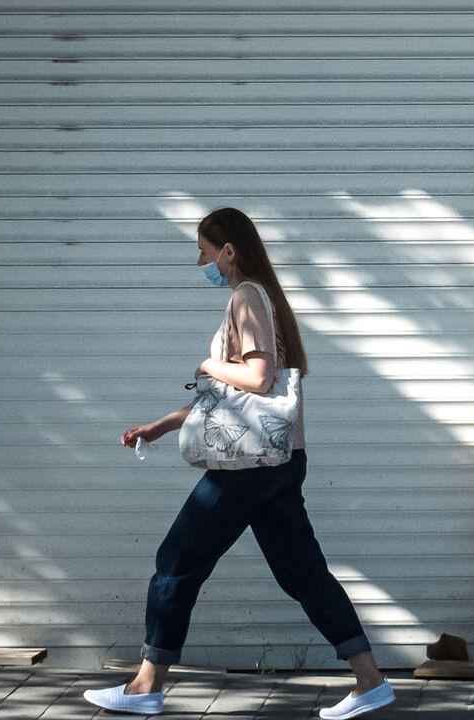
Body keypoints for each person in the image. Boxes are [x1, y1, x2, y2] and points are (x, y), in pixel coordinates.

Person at [83, 208, 395, 720]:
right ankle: (369, 679)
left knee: (175, 563)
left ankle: (146, 686)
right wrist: (161, 425)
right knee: (304, 574)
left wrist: (206, 363)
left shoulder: (246, 296)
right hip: (279, 460)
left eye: (205, 249)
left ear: (229, 251)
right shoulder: (264, 297)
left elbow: (257, 379)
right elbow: (230, 405)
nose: (200, 259)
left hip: (247, 471)